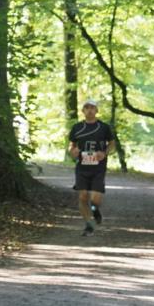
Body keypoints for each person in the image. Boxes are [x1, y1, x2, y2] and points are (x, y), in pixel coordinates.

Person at [68, 99, 116, 237]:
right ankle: (88, 225)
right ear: (82, 111)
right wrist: (73, 151)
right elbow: (71, 145)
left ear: (97, 110)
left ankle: (95, 210)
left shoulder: (104, 127)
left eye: (92, 107)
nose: (90, 110)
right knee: (83, 196)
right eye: (86, 107)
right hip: (82, 167)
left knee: (95, 199)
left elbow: (112, 144)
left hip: (98, 167)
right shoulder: (77, 127)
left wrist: (104, 152)